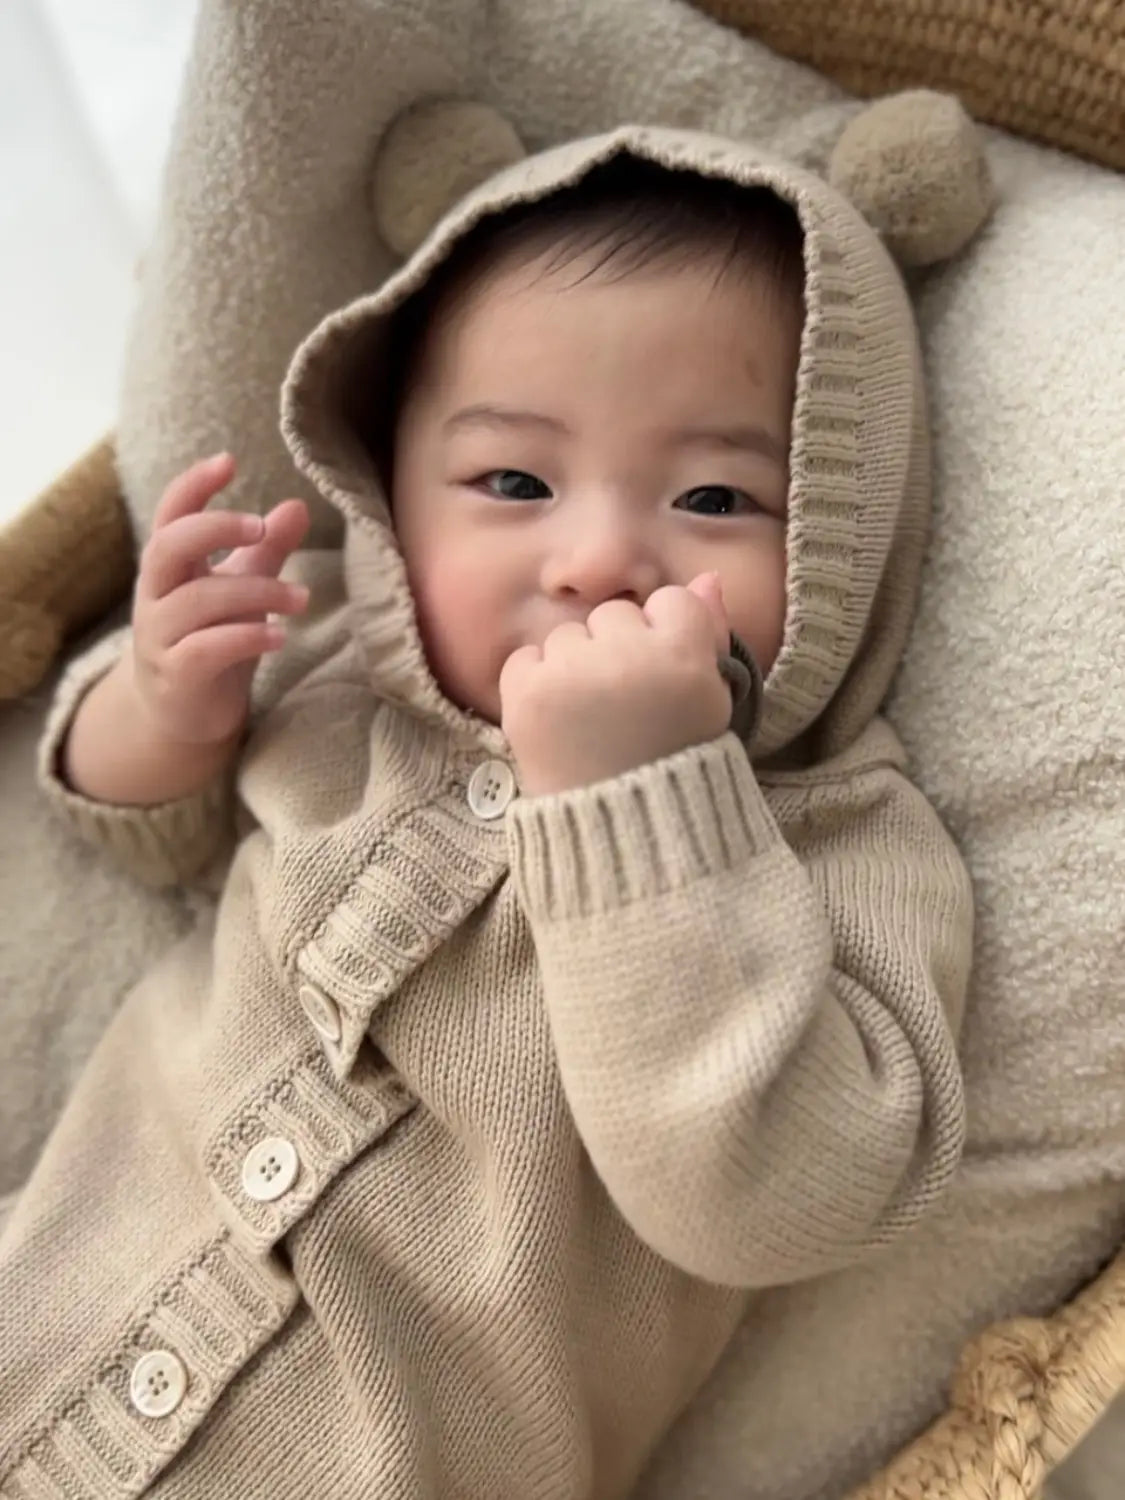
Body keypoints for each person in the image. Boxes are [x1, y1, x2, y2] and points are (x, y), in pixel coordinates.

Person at [0, 128, 972, 1499]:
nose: (596, 561)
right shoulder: (345, 666)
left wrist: (639, 800)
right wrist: (163, 707)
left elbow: (782, 1202)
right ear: (396, 495)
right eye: (515, 484)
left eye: (714, 498)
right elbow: (139, 833)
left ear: (843, 541)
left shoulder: (845, 846)